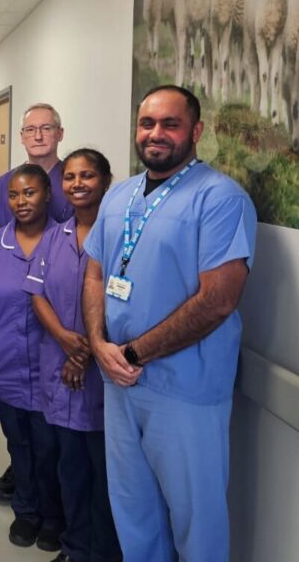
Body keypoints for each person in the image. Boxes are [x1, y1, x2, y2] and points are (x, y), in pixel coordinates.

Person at [83, 85, 257, 561]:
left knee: (196, 521)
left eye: (170, 124)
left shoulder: (221, 200)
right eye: (147, 123)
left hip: (184, 392)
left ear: (196, 131)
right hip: (119, 383)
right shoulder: (119, 196)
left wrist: (134, 353)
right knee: (134, 512)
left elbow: (218, 300)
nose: (155, 133)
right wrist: (99, 343)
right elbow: (96, 273)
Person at [23, 148, 121, 562]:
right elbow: (37, 294)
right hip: (61, 371)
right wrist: (64, 338)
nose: (77, 184)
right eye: (71, 177)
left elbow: (120, 302)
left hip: (101, 376)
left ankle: (105, 552)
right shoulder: (55, 236)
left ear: (106, 181)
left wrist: (82, 352)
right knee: (70, 468)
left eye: (88, 176)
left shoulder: (119, 236)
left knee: (107, 475)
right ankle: (75, 547)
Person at [0, 164, 64, 552]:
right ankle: (27, 511)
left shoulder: (66, 242)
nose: (22, 202)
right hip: (2, 363)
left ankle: (54, 517)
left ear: (48, 194)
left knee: (50, 446)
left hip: (50, 367)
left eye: (31, 193)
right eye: (15, 195)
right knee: (18, 443)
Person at [0, 102, 72, 502]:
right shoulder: (4, 184)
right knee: (18, 417)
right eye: (30, 130)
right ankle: (24, 483)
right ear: (20, 137)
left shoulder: (72, 180)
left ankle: (51, 499)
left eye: (46, 128)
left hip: (59, 310)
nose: (38, 135)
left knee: (53, 426)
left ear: (59, 133)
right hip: (10, 311)